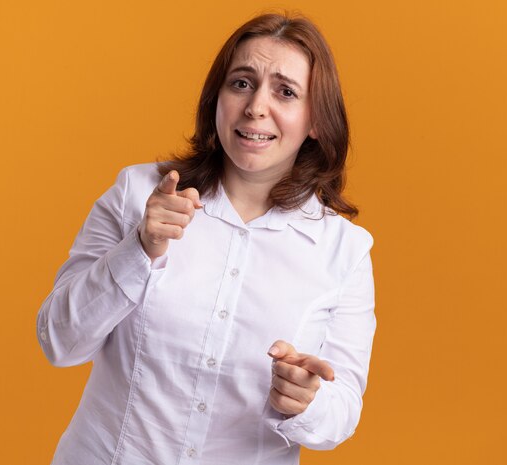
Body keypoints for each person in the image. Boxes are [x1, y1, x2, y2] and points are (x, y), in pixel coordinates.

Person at [37, 12, 376, 465]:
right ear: (216, 97)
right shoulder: (136, 193)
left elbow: (343, 411)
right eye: (241, 83)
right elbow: (58, 342)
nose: (256, 106)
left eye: (286, 92)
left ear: (316, 120)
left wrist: (308, 402)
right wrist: (138, 249)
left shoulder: (344, 252)